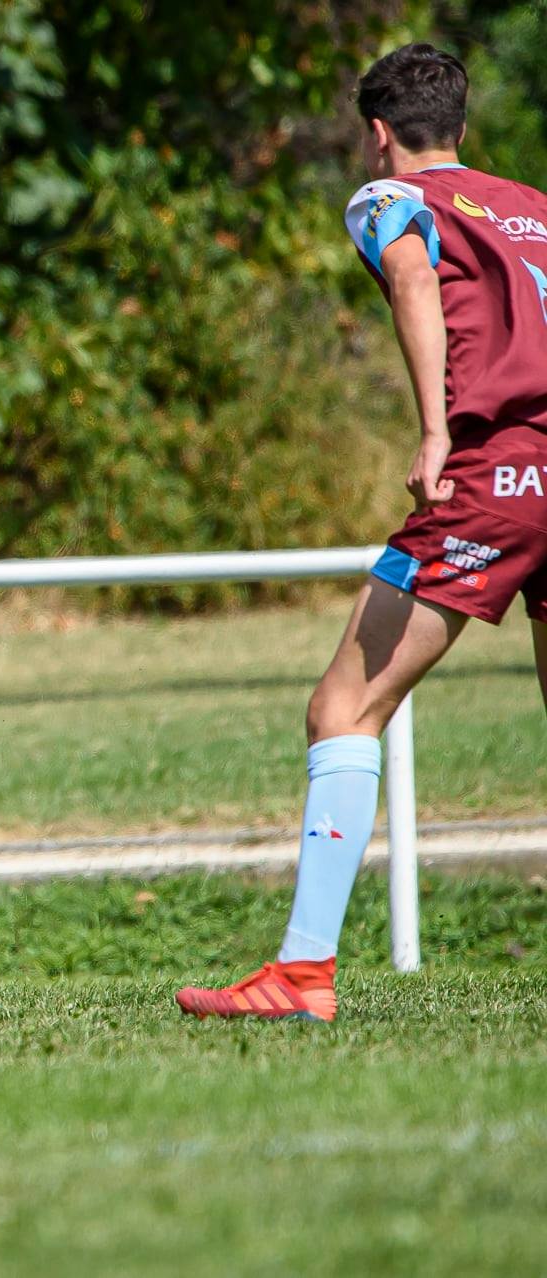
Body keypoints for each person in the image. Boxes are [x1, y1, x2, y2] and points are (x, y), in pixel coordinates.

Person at [177, 44, 547, 1022]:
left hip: (492, 474)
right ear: (461, 124)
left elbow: (416, 283)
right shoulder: (533, 208)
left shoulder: (388, 200)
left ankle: (301, 976)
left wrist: (436, 431)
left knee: (344, 706)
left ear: (379, 134)